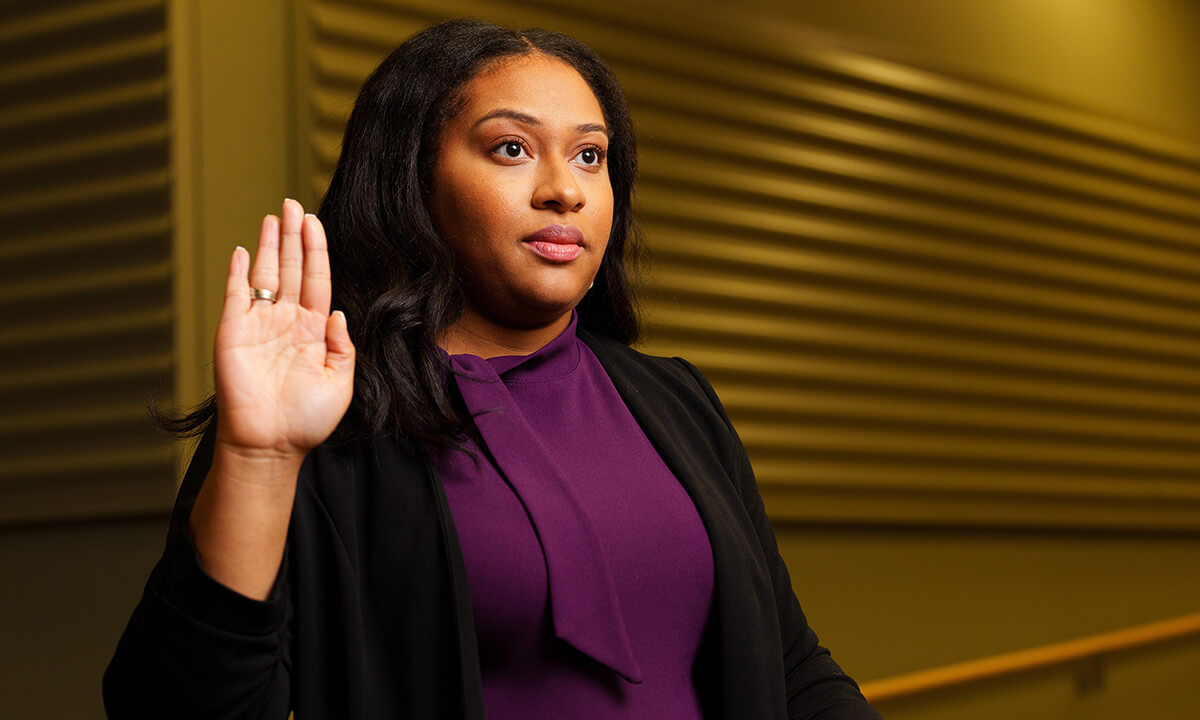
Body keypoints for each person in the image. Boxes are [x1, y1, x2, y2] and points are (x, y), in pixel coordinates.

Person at [104, 18, 880, 720]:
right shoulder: (321, 421)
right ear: (413, 178)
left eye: (590, 155)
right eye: (511, 148)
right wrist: (259, 460)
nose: (563, 191)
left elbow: (791, 667)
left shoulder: (676, 400)